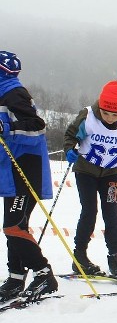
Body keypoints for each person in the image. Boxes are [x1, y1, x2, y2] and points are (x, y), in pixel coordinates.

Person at [63, 80, 117, 278]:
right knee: (89, 211)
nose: (108, 118)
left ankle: (114, 257)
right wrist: (69, 150)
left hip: (111, 173)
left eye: (114, 114)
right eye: (105, 113)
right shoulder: (88, 116)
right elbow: (70, 136)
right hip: (86, 171)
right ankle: (79, 255)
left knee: (112, 214)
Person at [0, 50, 58, 302]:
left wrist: (7, 127)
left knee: (13, 226)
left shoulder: (13, 92)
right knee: (14, 227)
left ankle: (44, 274)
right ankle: (15, 277)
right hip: (10, 171)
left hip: (25, 169)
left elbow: (37, 125)